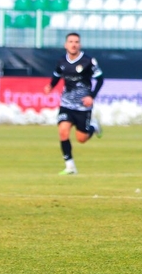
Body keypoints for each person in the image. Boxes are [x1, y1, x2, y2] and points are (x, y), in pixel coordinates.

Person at [44, 32, 104, 175]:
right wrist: (51, 86)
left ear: (80, 45)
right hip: (66, 103)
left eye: (76, 42)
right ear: (66, 45)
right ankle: (70, 166)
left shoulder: (88, 61)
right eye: (71, 41)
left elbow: (100, 79)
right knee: (63, 131)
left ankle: (93, 127)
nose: (73, 44)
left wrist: (91, 96)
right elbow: (57, 75)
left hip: (83, 106)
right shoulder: (61, 61)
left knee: (81, 138)